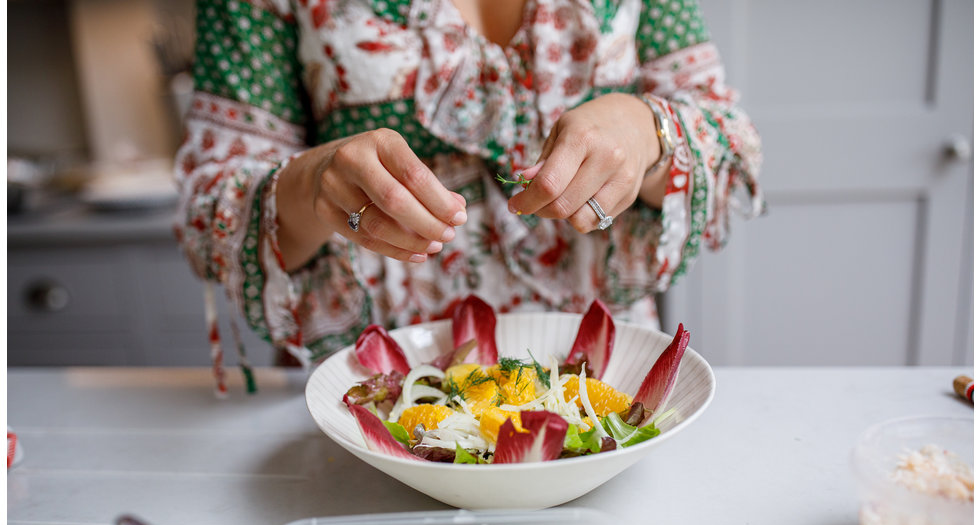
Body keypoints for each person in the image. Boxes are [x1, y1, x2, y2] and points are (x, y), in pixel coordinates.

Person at [174, 0, 764, 385]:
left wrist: (647, 130)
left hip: (599, 385)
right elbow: (208, 217)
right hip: (373, 396)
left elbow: (732, 146)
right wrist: (311, 185)